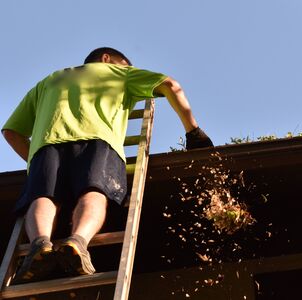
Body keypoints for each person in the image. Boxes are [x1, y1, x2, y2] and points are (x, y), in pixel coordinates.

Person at [2, 47, 213, 283]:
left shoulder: (51, 80)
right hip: (98, 141)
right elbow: (172, 85)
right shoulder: (117, 73)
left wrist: (34, 161)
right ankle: (78, 242)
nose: (129, 70)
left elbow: (11, 131)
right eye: (126, 65)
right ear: (106, 59)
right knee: (94, 192)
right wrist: (193, 132)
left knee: (44, 196)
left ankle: (39, 244)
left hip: (47, 145)